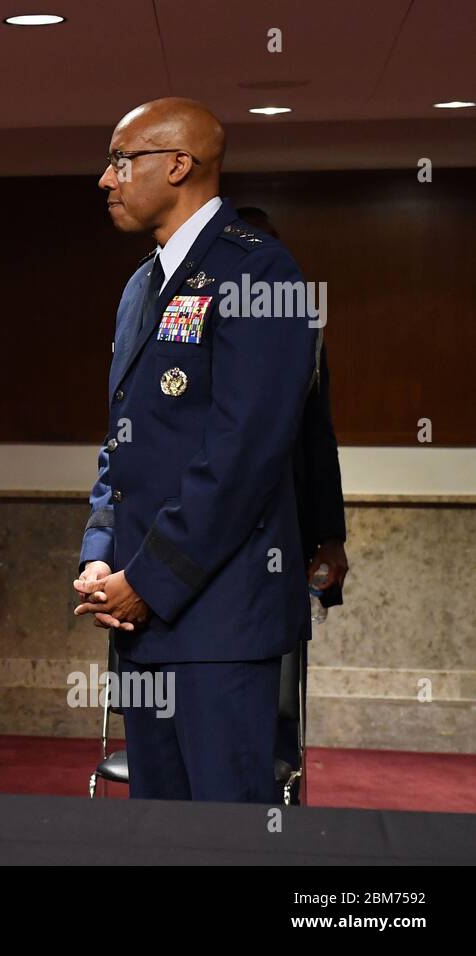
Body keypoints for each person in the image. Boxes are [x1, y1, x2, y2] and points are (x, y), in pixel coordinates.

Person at [73, 97, 318, 803]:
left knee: (225, 832)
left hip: (217, 621)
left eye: (122, 160)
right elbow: (123, 438)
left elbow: (244, 455)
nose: (106, 179)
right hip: (140, 619)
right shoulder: (139, 286)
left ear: (179, 164)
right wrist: (100, 550)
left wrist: (148, 580)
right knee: (158, 831)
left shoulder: (259, 274)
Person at [237, 206, 350, 804]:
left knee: (279, 692)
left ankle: (280, 802)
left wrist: (331, 538)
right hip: (213, 539)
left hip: (288, 530)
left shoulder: (305, 328)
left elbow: (318, 435)